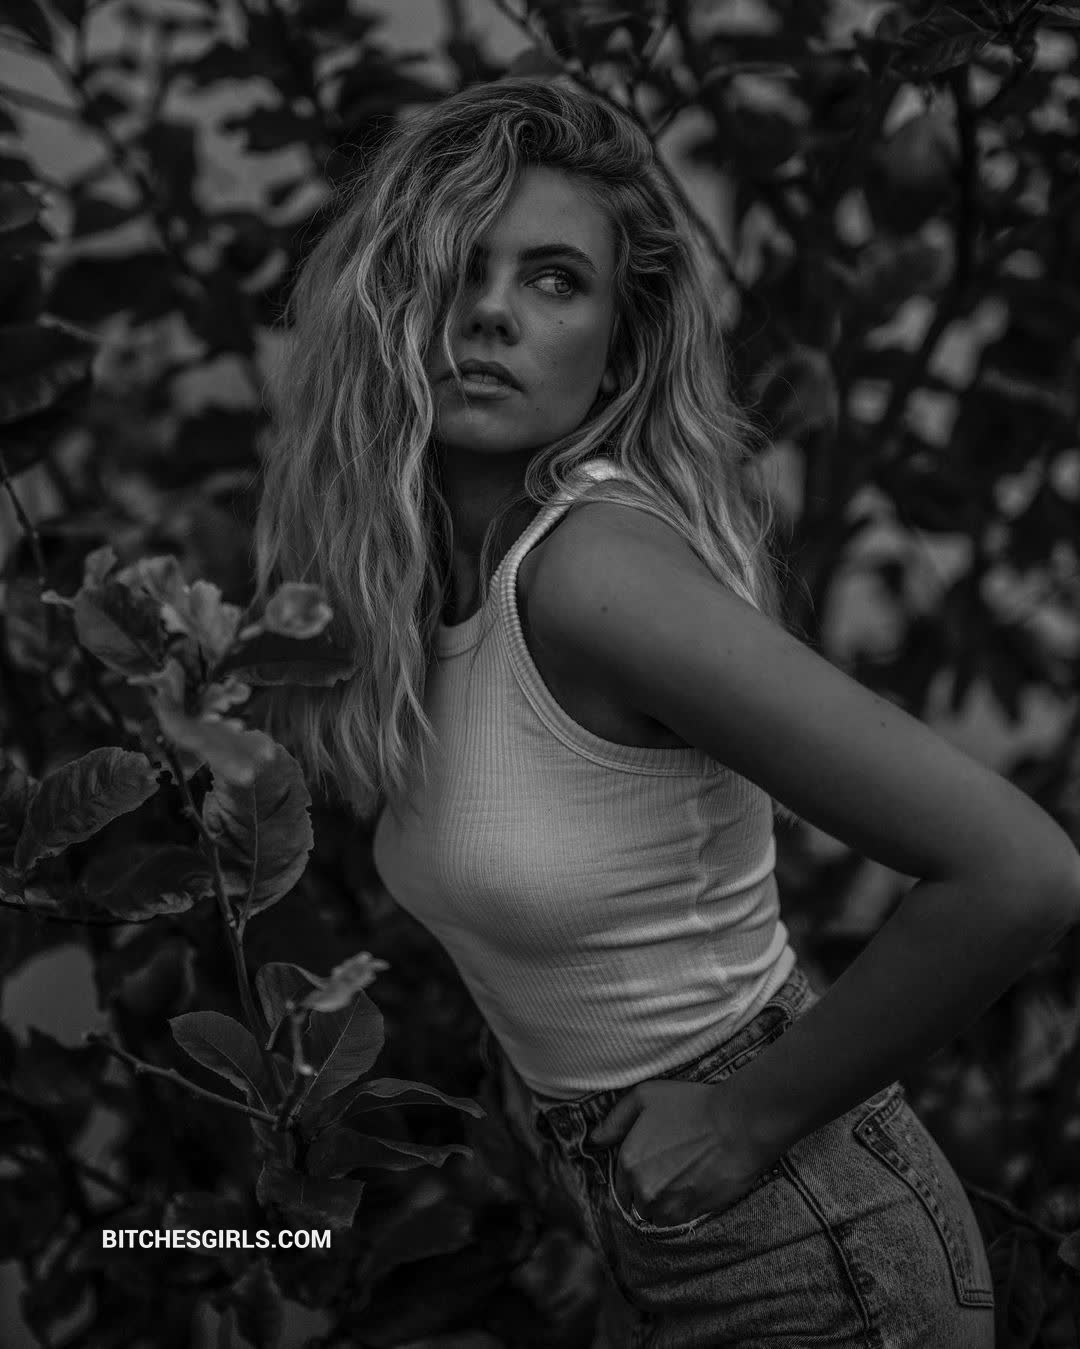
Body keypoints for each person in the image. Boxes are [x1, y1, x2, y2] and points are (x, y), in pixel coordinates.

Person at [252, 77, 1080, 1348]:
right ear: (387, 301)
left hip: (809, 1248)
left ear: (620, 345)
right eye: (457, 266)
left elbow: (1019, 870)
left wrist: (742, 1117)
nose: (489, 312)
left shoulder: (596, 576)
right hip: (666, 1220)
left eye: (554, 280)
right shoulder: (430, 584)